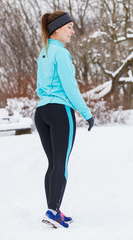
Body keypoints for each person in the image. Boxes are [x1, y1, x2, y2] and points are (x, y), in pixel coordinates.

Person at [35, 11, 94, 229]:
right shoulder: (61, 53)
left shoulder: (44, 52)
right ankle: (52, 211)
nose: (72, 31)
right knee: (61, 162)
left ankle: (54, 210)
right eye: (69, 27)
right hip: (60, 112)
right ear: (57, 29)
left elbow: (42, 86)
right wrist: (86, 113)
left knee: (53, 163)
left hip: (42, 113)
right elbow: (70, 88)